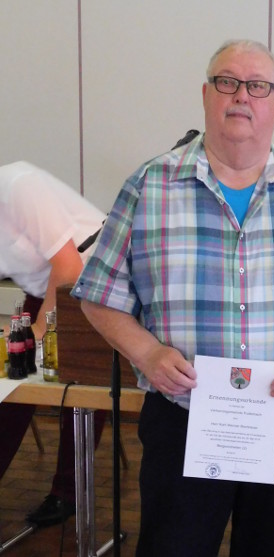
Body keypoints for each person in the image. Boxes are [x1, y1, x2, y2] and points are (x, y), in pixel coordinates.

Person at [72, 39, 274, 557]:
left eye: (258, 86)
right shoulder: (150, 186)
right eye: (227, 82)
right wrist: (147, 353)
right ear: (207, 94)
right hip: (183, 419)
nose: (242, 96)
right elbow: (97, 295)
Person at [0, 160, 107, 527]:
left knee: (77, 392)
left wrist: (39, 340)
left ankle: (68, 493)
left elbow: (69, 270)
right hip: (42, 290)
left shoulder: (18, 186)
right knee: (11, 389)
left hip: (90, 282)